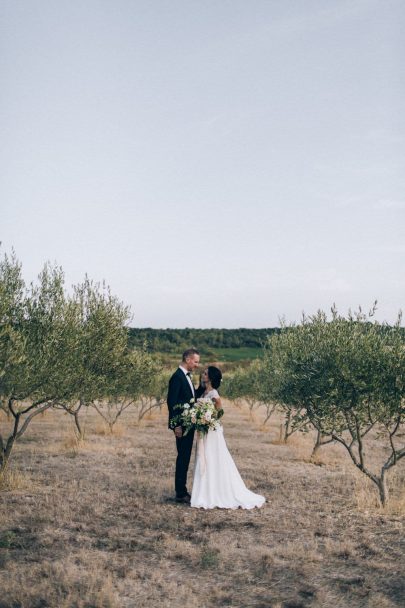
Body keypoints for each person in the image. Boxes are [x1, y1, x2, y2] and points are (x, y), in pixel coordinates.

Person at [191, 366, 265, 509]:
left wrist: (207, 420)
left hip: (211, 430)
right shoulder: (202, 391)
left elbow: (219, 413)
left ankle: (214, 493)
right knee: (203, 456)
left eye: (205, 373)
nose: (202, 374)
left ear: (211, 377)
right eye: (203, 373)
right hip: (203, 430)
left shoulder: (214, 394)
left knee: (212, 457)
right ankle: (203, 492)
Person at [167, 348, 203, 503]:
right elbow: (172, 403)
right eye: (195, 362)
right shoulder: (177, 377)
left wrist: (203, 385)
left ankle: (181, 490)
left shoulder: (186, 376)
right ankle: (180, 493)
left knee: (185, 457)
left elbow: (191, 398)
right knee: (183, 458)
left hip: (189, 425)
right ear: (188, 359)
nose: (197, 365)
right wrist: (176, 426)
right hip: (182, 425)